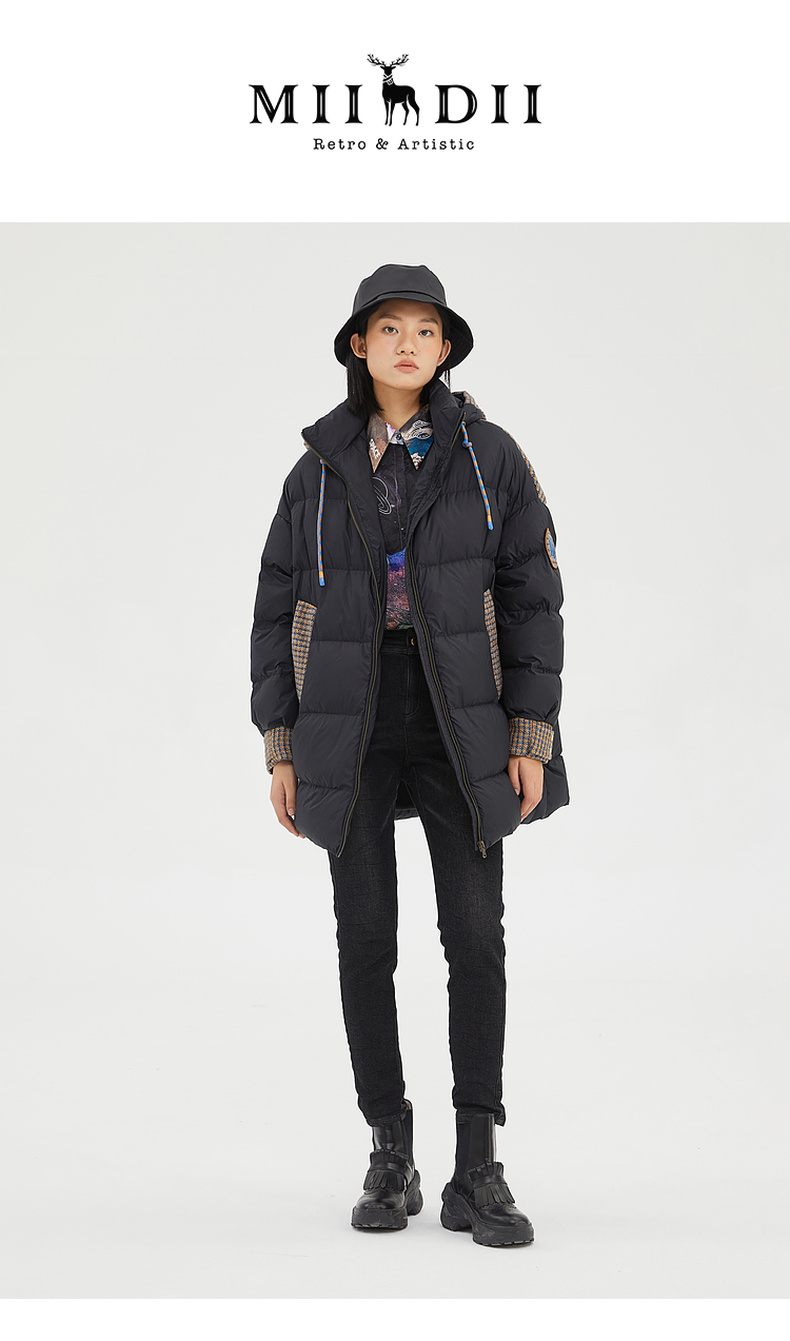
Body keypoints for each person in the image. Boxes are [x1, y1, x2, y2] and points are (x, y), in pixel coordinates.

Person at [250, 263, 569, 1248]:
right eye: (387, 328)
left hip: (458, 715)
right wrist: (281, 744)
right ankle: (390, 1150)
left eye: (424, 331)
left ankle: (478, 1165)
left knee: (475, 936)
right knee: (365, 938)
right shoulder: (316, 468)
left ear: (444, 349)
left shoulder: (489, 456)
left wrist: (528, 735)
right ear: (359, 345)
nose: (406, 345)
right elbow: (274, 607)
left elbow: (532, 599)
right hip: (346, 715)